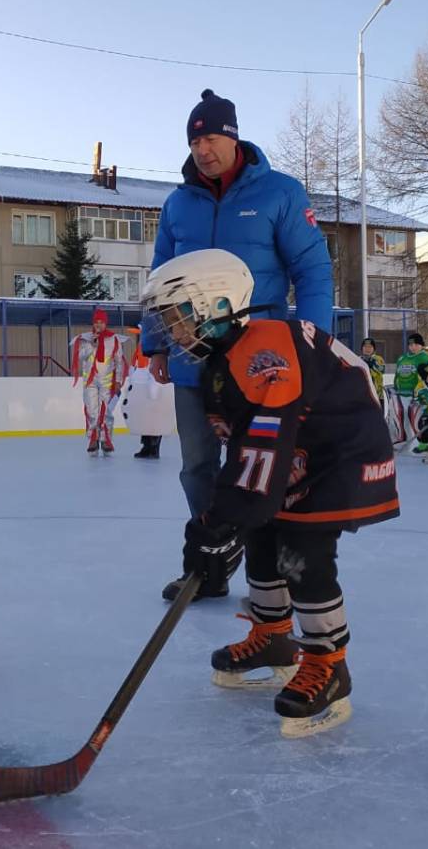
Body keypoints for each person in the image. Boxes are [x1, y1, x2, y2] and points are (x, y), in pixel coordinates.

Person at [141, 249, 398, 738]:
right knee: (261, 535)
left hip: (341, 454)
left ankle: (329, 665)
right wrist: (221, 522)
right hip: (301, 448)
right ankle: (273, 638)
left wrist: (218, 523)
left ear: (215, 306)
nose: (171, 334)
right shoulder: (226, 358)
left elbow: (261, 450)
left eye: (177, 319)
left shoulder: (263, 353)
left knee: (302, 552)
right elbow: (245, 453)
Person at [142, 88, 333, 602]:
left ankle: (270, 571)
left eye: (210, 138)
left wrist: (311, 340)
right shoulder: (178, 202)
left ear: (233, 137)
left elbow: (312, 270)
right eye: (194, 139)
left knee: (261, 465)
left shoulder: (280, 193)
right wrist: (154, 345)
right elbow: (161, 275)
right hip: (191, 359)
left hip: (258, 359)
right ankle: (211, 563)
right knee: (197, 467)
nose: (202, 149)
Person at [71, 309, 128, 455]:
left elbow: (119, 362)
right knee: (91, 410)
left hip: (107, 381)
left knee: (106, 411)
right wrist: (92, 344)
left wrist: (118, 381)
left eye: (101, 322)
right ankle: (93, 439)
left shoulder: (114, 339)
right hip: (90, 380)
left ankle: (106, 439)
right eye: (96, 322)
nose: (98, 325)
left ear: (105, 323)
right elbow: (80, 357)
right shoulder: (85, 339)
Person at [388, 333, 428, 446]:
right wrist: (395, 387)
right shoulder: (402, 358)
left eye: (416, 344)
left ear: (422, 345)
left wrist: (427, 392)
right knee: (398, 418)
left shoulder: (425, 357)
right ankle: (402, 441)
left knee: (419, 420)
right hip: (401, 395)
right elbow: (397, 376)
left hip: (417, 396)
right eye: (411, 344)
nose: (413, 347)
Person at [125, 325, 164, 459]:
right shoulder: (141, 347)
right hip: (141, 384)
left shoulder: (156, 347)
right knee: (143, 415)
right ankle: (146, 446)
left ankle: (154, 446)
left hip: (153, 383)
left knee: (153, 414)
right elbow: (134, 364)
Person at [360, 337, 385, 409]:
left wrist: (372, 363)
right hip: (362, 396)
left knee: (376, 419)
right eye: (365, 347)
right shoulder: (358, 359)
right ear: (362, 348)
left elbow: (382, 369)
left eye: (370, 347)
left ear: (374, 349)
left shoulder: (378, 359)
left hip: (376, 395)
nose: (367, 349)